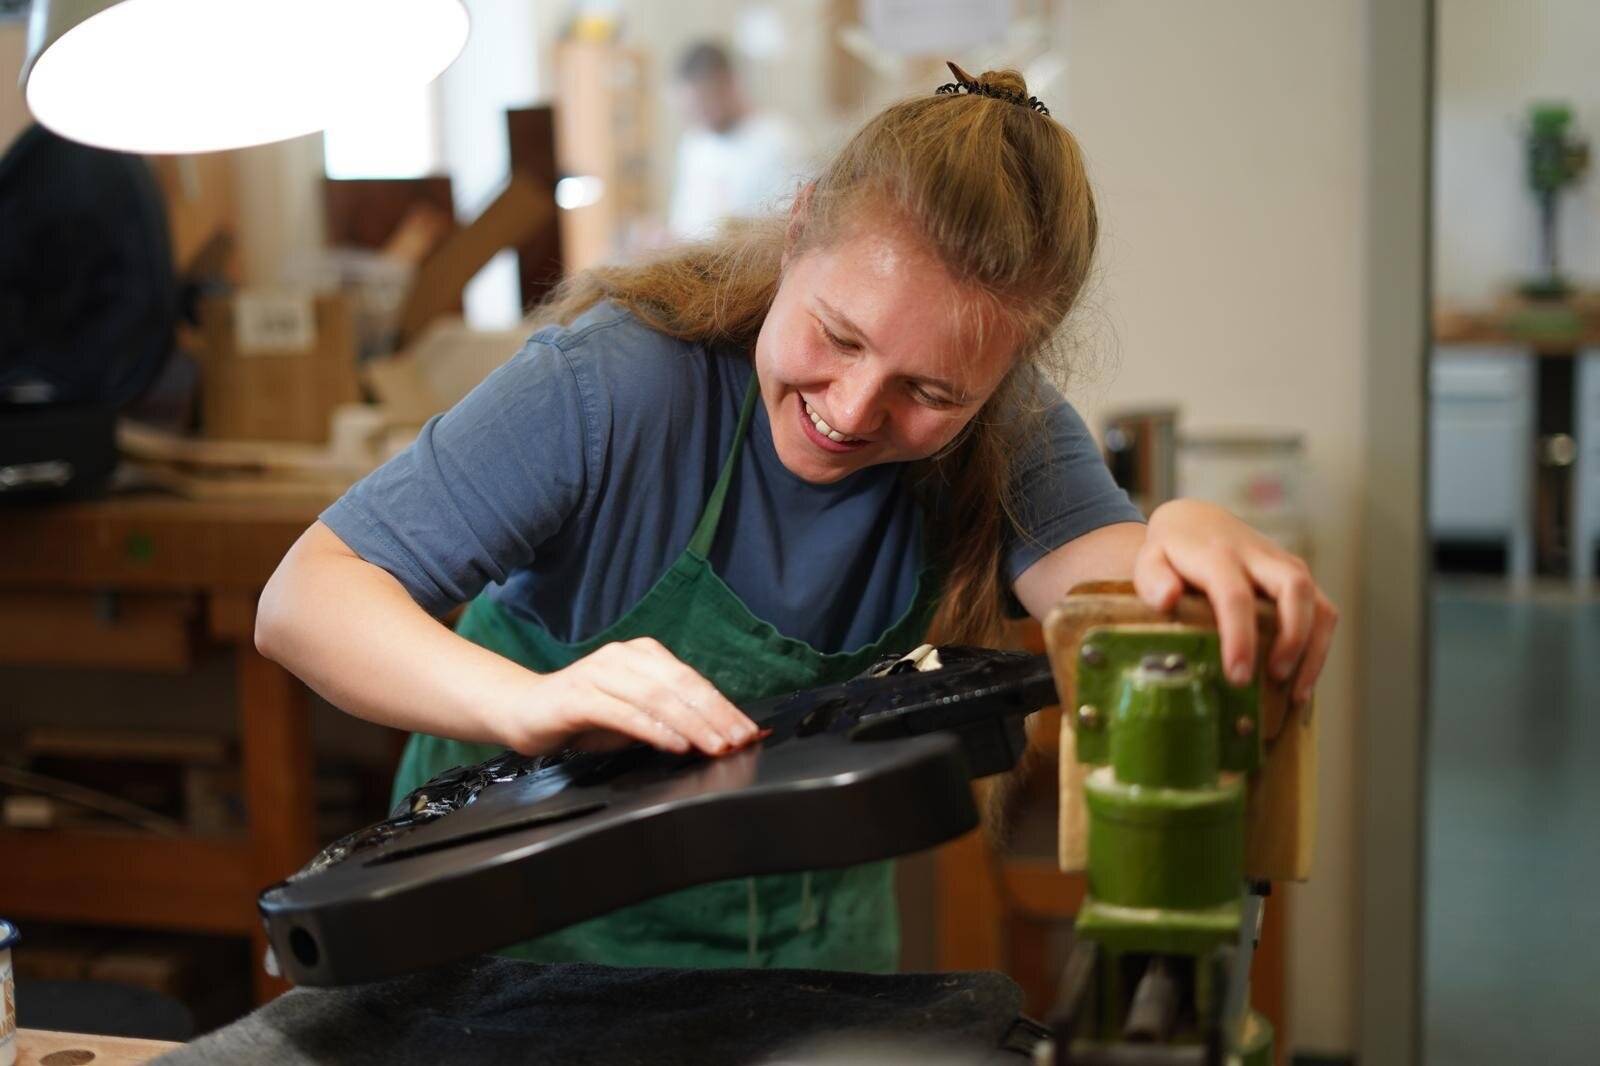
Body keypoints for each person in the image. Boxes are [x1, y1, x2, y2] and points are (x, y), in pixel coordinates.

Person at [256, 66, 1337, 974]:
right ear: (801, 222)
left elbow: (1112, 598)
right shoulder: (619, 387)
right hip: (522, 942)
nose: (854, 411)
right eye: (839, 334)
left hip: (797, 964)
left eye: (931, 393)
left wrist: (1186, 539)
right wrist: (533, 701)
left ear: (1006, 373)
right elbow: (309, 595)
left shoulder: (1010, 434)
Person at [667, 41, 804, 239]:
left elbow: (790, 225)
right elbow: (683, 223)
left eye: (705, 103)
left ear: (729, 84)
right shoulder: (694, 144)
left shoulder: (778, 141)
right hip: (694, 264)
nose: (700, 117)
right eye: (693, 109)